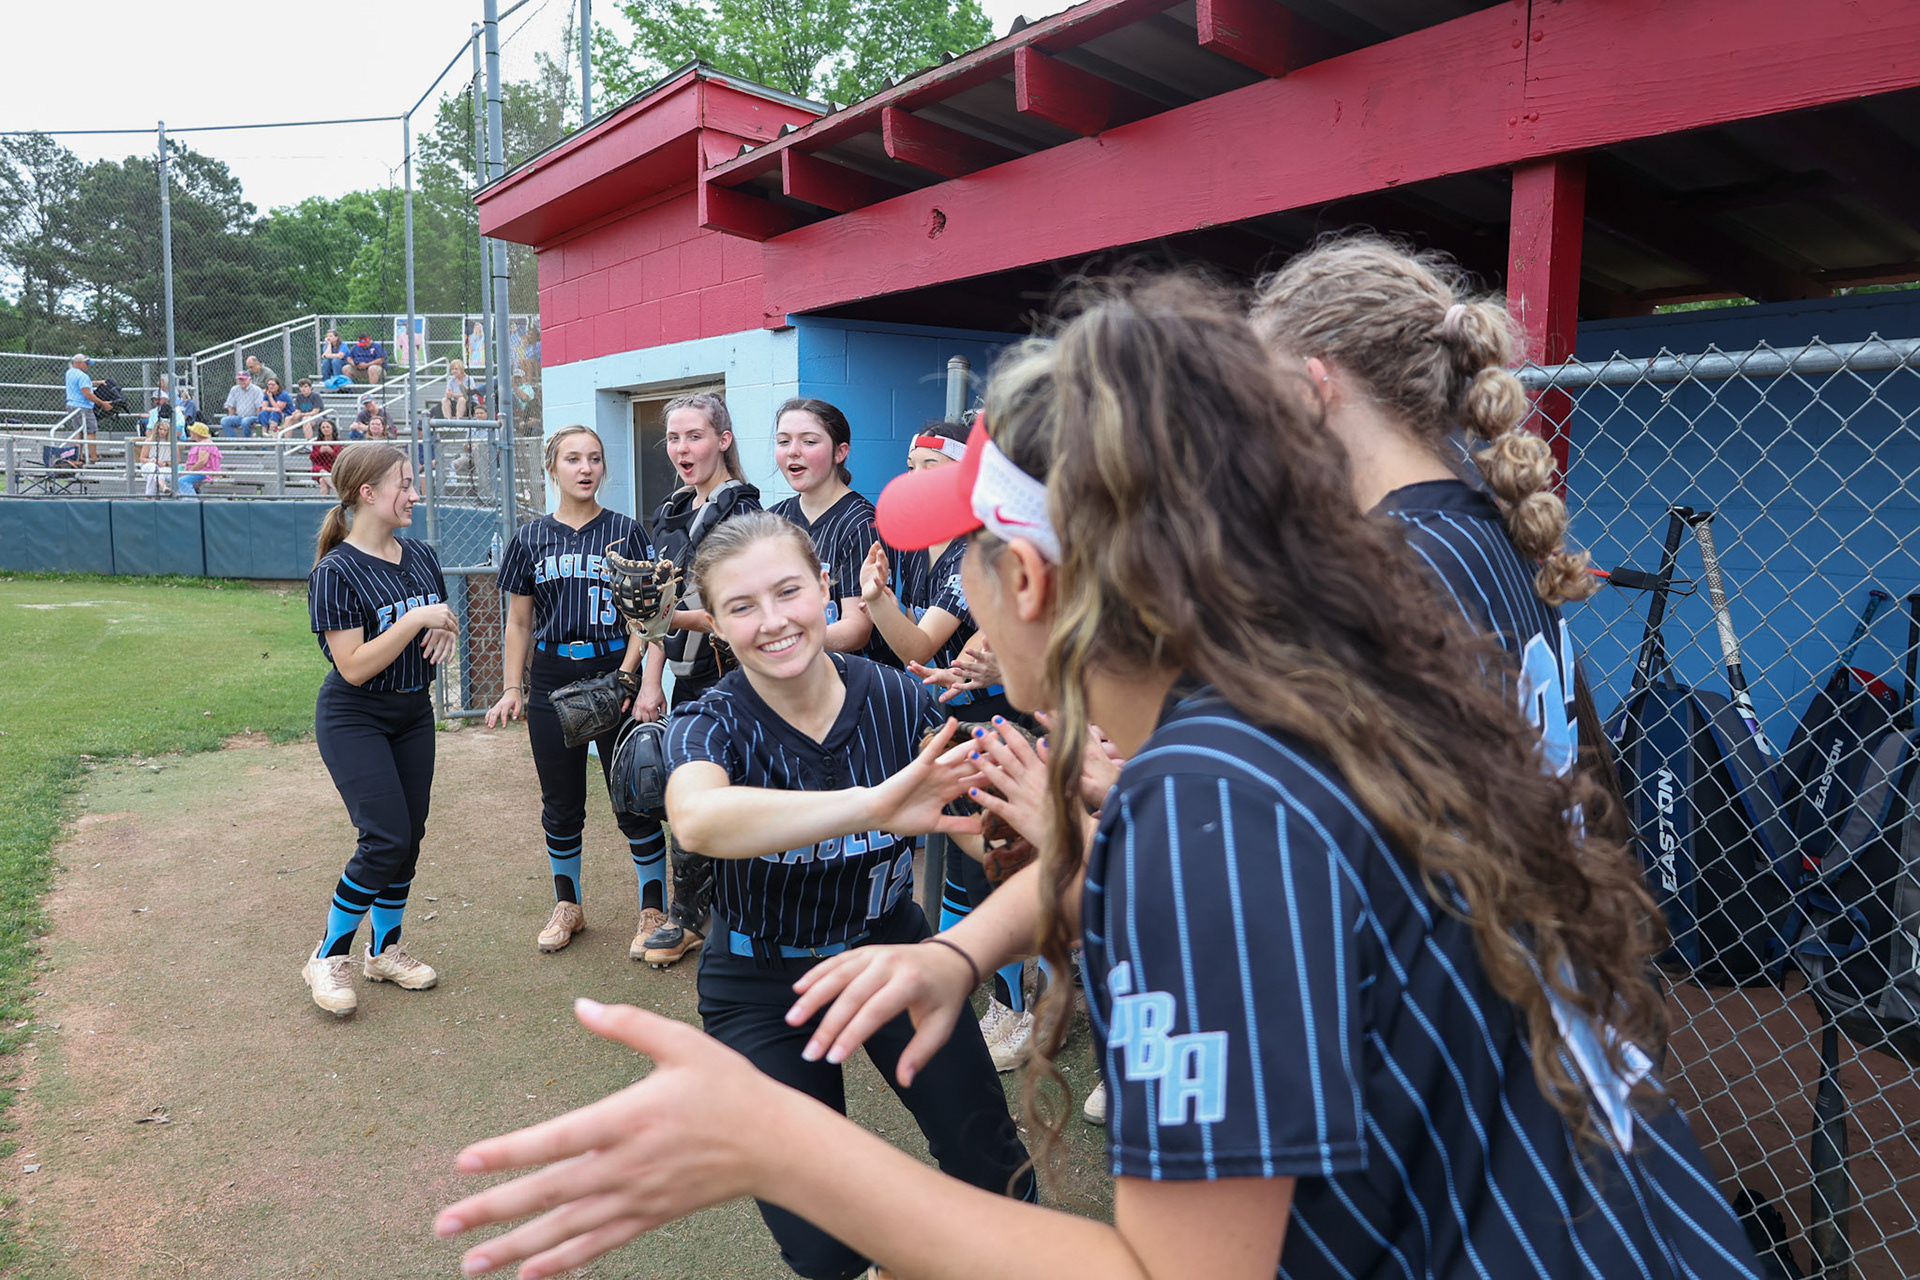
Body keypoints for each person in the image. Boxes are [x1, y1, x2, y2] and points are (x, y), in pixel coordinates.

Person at [436, 279, 1763, 1280]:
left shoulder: (1214, 801)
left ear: (1029, 581)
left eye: (961, 554)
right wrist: (961, 954)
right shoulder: (1299, 703)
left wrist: (777, 1146)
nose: (953, 592)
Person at [858, 420, 1033, 1069]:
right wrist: (878, 601)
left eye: (933, 465)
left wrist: (1005, 668)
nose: (916, 475)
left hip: (1013, 731)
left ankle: (1017, 1012)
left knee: (1005, 875)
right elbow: (922, 651)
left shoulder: (1001, 544)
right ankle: (975, 996)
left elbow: (931, 646)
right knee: (963, 878)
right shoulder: (939, 552)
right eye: (910, 463)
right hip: (961, 731)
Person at [485, 425, 671, 958]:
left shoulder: (627, 532)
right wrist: (511, 686)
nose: (585, 468)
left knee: (637, 792)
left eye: (594, 458)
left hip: (614, 667)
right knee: (561, 803)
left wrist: (630, 679)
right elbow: (519, 622)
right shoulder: (529, 538)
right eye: (573, 459)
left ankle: (652, 909)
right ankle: (568, 904)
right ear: (553, 468)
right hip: (550, 676)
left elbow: (649, 614)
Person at [302, 443, 457, 1017]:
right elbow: (355, 664)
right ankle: (328, 954)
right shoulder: (335, 570)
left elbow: (435, 617)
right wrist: (418, 618)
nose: (414, 494)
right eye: (405, 484)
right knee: (385, 837)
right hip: (355, 715)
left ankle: (385, 950)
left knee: (409, 836)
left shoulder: (419, 554)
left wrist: (444, 628)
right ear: (368, 494)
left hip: (412, 712)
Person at [630, 392, 762, 970]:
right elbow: (659, 610)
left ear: (723, 440)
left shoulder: (744, 516)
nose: (683, 449)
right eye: (675, 438)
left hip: (738, 674)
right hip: (689, 673)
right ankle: (688, 915)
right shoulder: (675, 510)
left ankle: (742, 917)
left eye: (696, 436)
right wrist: (648, 681)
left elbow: (730, 614)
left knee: (739, 791)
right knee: (687, 788)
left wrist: (657, 617)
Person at [767, 398, 880, 659]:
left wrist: (788, 641)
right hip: (795, 676)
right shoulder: (772, 520)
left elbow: (858, 628)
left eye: (809, 441)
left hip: (853, 682)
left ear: (840, 453)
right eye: (784, 441)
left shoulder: (861, 523)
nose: (793, 451)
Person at [64, 352, 110, 464]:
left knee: (78, 431)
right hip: (83, 407)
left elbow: (82, 384)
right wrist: (102, 403)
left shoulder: (70, 373)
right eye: (86, 363)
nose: (88, 366)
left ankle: (78, 456)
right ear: (79, 363)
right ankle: (93, 457)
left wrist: (96, 383)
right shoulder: (83, 376)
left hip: (72, 405)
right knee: (91, 431)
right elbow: (87, 393)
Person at [178, 423, 222, 496]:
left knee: (182, 481)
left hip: (203, 472)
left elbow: (202, 461)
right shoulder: (197, 443)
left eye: (192, 431)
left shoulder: (205, 443)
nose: (190, 433)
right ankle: (181, 497)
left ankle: (191, 501)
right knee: (175, 474)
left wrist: (190, 471)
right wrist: (186, 469)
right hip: (195, 470)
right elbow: (189, 460)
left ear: (197, 433)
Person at [220, 369, 265, 438]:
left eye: (243, 379)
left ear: (249, 380)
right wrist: (230, 416)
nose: (241, 382)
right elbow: (231, 406)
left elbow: (260, 408)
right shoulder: (234, 389)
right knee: (224, 421)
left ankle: (246, 443)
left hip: (254, 417)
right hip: (240, 417)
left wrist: (258, 421)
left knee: (245, 421)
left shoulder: (257, 390)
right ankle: (234, 443)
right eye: (239, 380)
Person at [139, 416, 175, 496]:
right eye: (160, 429)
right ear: (156, 429)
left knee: (155, 474)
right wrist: (154, 461)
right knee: (153, 467)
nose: (162, 432)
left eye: (165, 430)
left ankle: (149, 496)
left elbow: (176, 460)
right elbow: (142, 458)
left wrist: (165, 464)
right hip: (149, 465)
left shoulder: (172, 442)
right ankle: (164, 487)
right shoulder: (149, 441)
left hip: (165, 467)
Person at [310, 418, 343, 495]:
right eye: (323, 427)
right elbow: (312, 457)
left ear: (332, 428)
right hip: (320, 467)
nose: (325, 429)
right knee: (320, 470)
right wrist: (320, 452)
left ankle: (324, 502)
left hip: (333, 467)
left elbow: (341, 457)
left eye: (328, 427)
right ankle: (337, 490)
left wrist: (331, 452)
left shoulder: (339, 443)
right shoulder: (317, 443)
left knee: (322, 481)